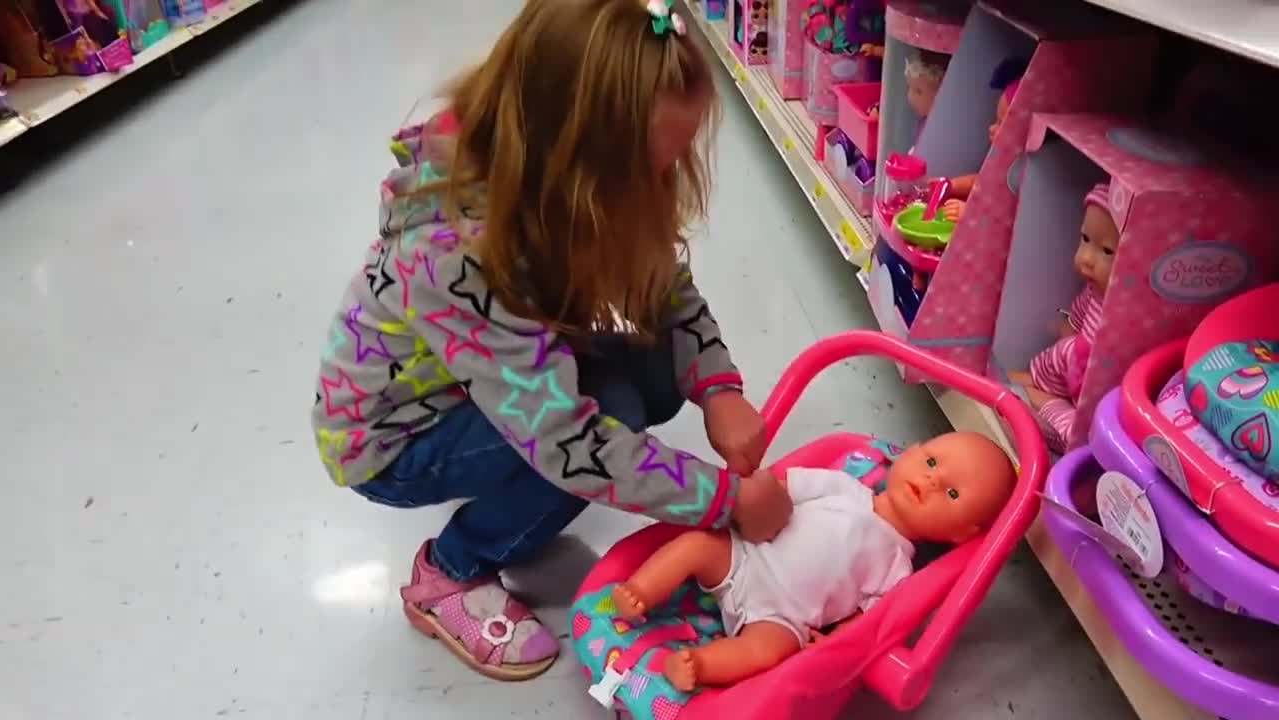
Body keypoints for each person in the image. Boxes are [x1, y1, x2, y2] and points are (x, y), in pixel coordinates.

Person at [310, 0, 790, 682]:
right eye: (648, 168)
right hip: (392, 441)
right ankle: (449, 570)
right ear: (575, 150)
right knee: (609, 418)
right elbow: (568, 443)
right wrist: (726, 500)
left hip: (491, 369)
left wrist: (718, 387)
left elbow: (661, 278)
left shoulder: (555, 175)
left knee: (654, 372)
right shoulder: (452, 251)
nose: (660, 184)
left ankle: (509, 486)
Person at [611, 432, 1016, 691]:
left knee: (770, 653)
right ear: (911, 452)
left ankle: (698, 663)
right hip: (747, 556)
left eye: (952, 494)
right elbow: (775, 489)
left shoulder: (899, 568)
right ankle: (641, 590)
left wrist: (841, 642)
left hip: (781, 617)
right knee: (697, 545)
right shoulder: (842, 486)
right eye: (931, 462)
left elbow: (871, 622)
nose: (932, 480)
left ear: (961, 535)